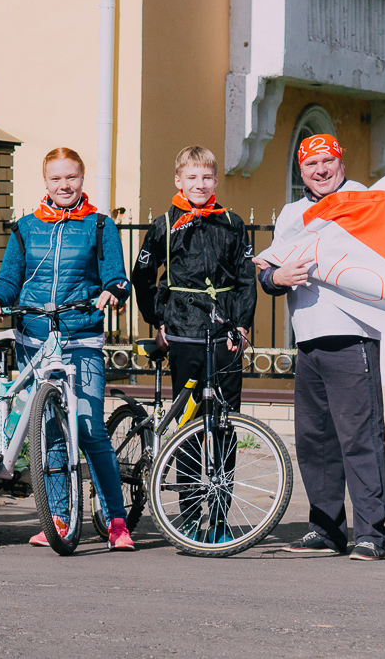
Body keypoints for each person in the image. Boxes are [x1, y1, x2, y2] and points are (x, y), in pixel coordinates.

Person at [0, 147, 135, 551]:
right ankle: (59, 517)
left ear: (82, 179)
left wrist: (112, 291)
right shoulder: (26, 227)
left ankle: (116, 520)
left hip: (81, 337)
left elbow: (117, 277)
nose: (64, 185)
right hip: (35, 339)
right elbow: (9, 279)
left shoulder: (100, 225)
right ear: (45, 181)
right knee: (50, 431)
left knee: (88, 428)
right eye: (56, 178)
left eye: (71, 177)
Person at [257, 133, 385, 560]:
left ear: (341, 163)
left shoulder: (363, 200)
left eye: (327, 161)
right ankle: (327, 530)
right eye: (311, 164)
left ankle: (371, 534)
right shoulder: (291, 213)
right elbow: (267, 270)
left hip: (353, 334)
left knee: (360, 438)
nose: (320, 170)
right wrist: (275, 278)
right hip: (308, 338)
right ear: (301, 172)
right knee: (316, 441)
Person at [130, 145, 256, 541]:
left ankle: (219, 517)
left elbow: (246, 279)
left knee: (224, 424)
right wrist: (158, 319)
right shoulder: (164, 225)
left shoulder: (233, 223)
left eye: (206, 177)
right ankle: (188, 514)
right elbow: (141, 276)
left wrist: (242, 326)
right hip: (183, 332)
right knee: (189, 425)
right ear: (178, 180)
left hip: (224, 335)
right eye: (191, 177)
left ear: (215, 180)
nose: (199, 184)